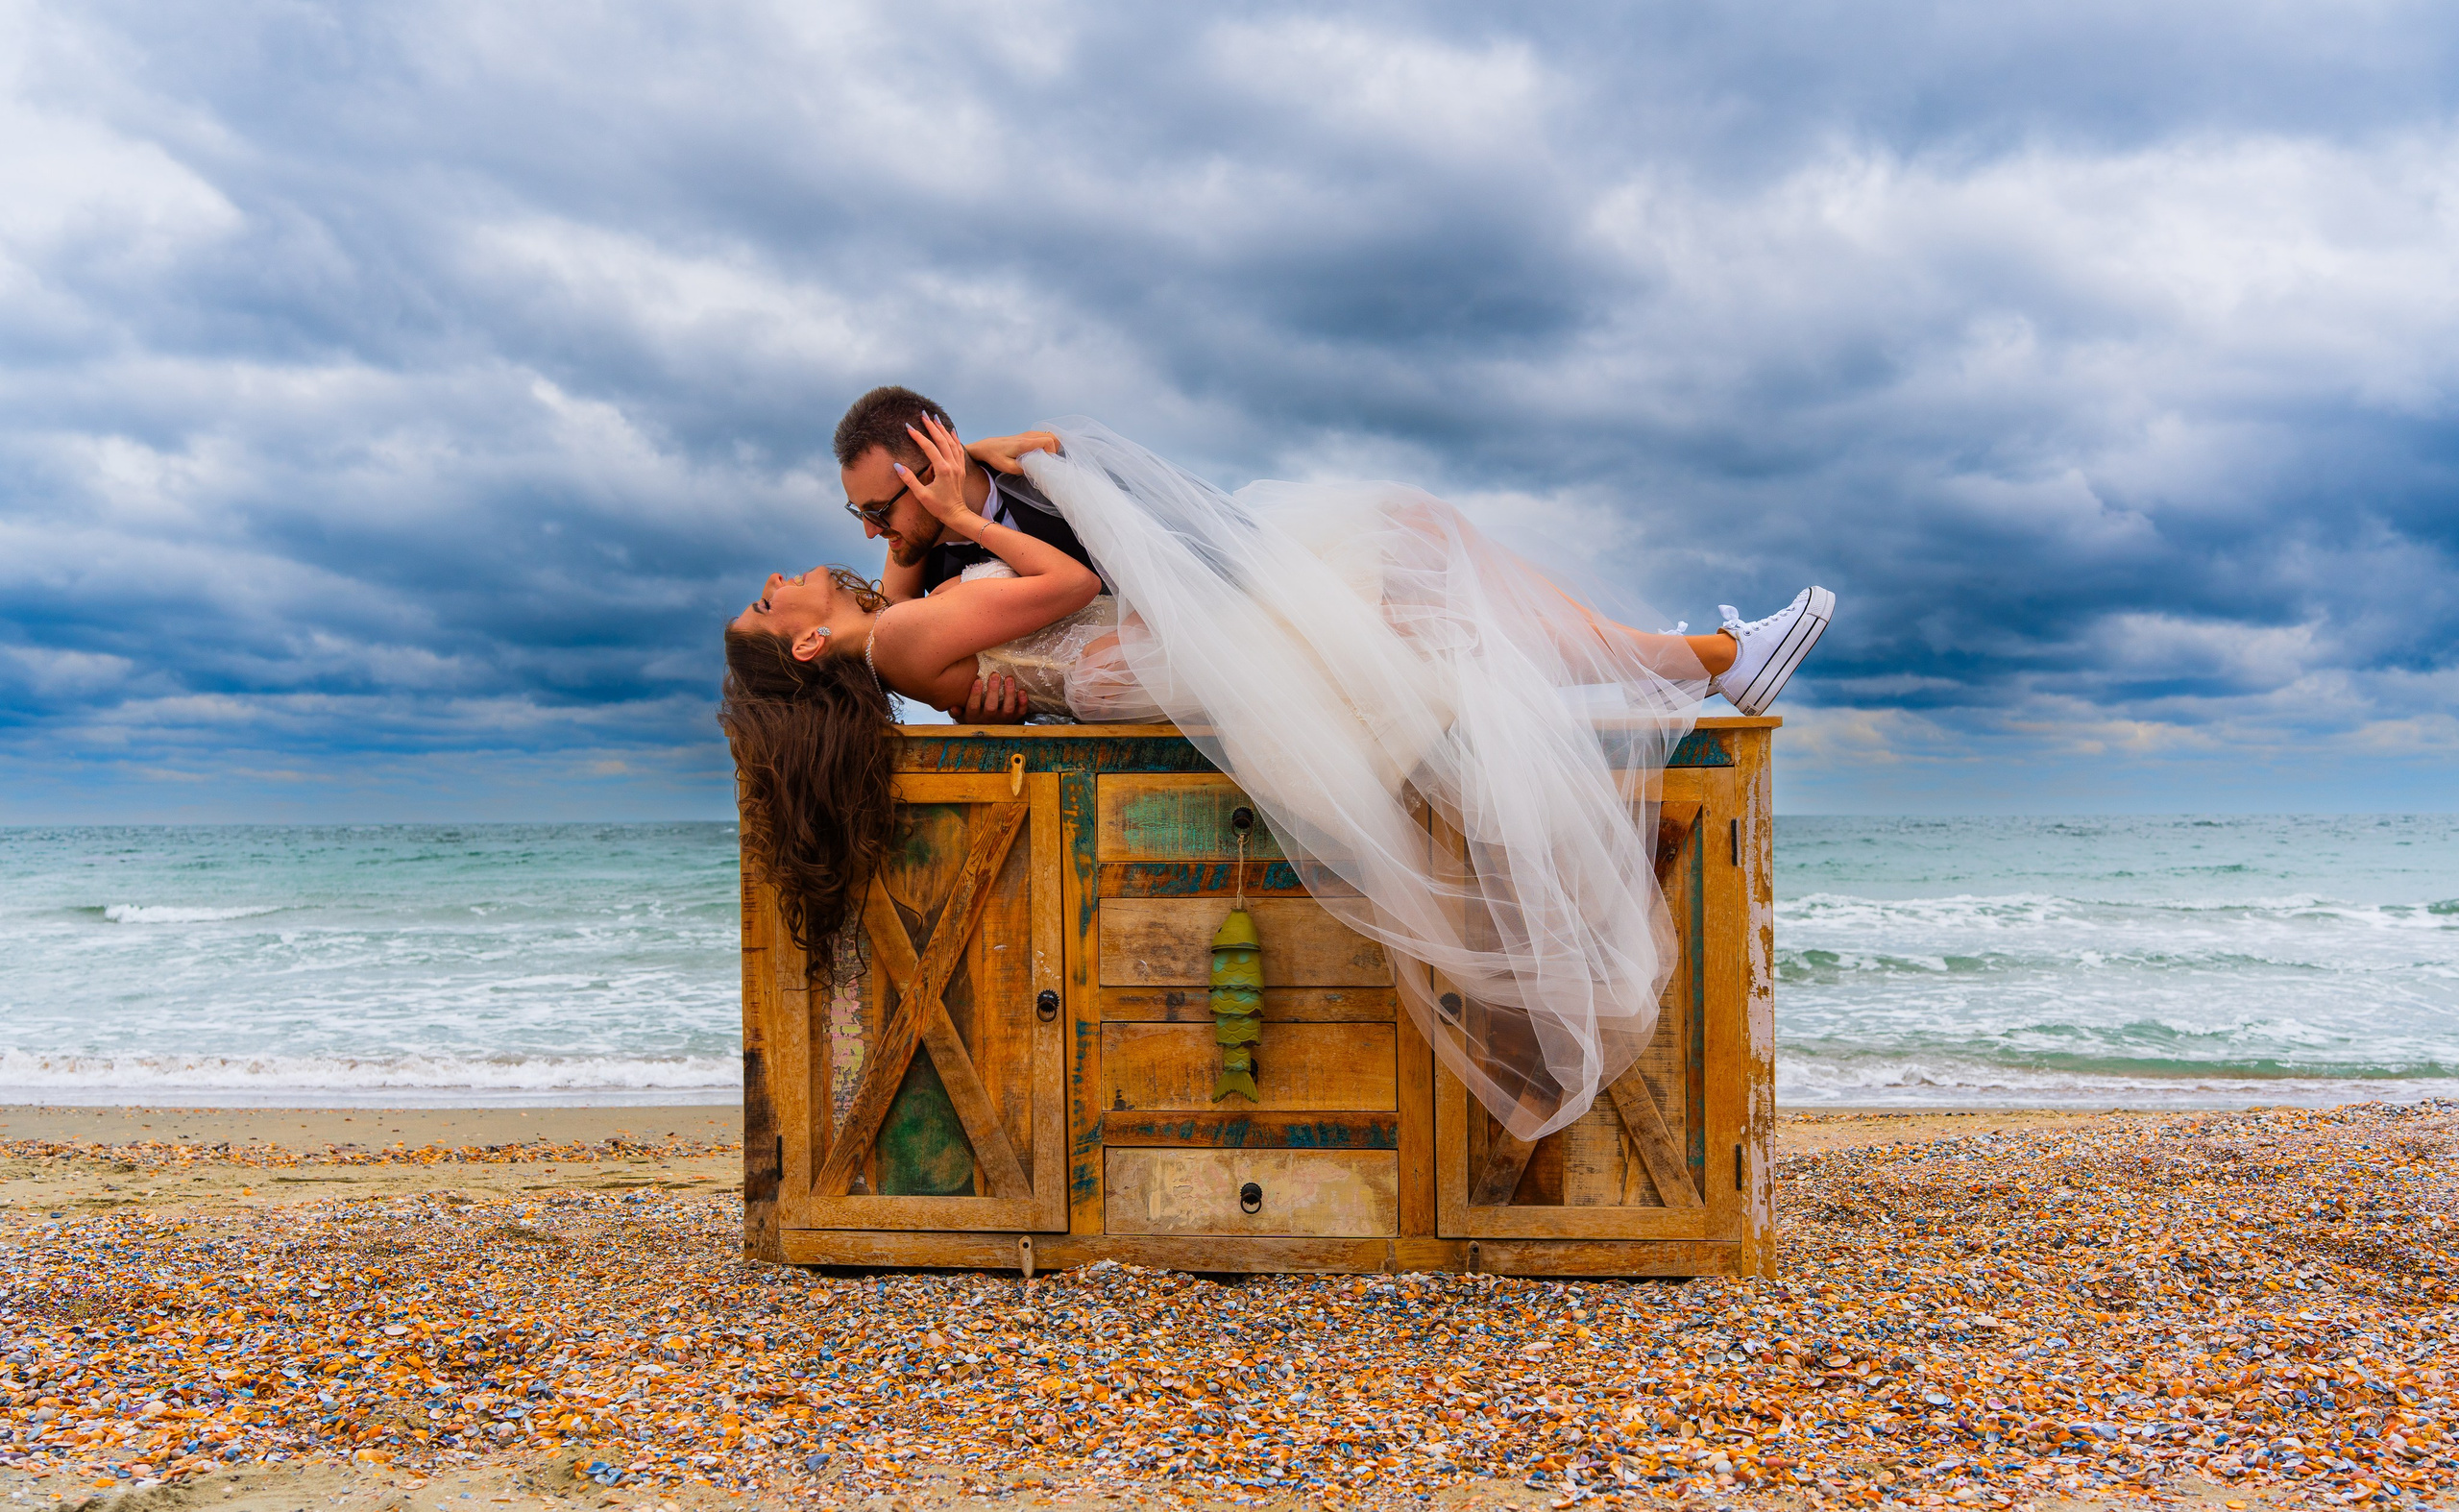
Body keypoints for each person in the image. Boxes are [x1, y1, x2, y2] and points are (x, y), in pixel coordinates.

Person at [721, 409, 1834, 1139]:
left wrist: (953, 520)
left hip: (1147, 653)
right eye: (774, 599)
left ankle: (1698, 665)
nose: (803, 563)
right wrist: (954, 516)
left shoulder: (907, 609)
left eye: (879, 510)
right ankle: (1709, 662)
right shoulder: (912, 617)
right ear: (810, 646)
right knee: (1413, 584)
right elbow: (1050, 585)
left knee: (1422, 586)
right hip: (1149, 660)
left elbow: (915, 615)